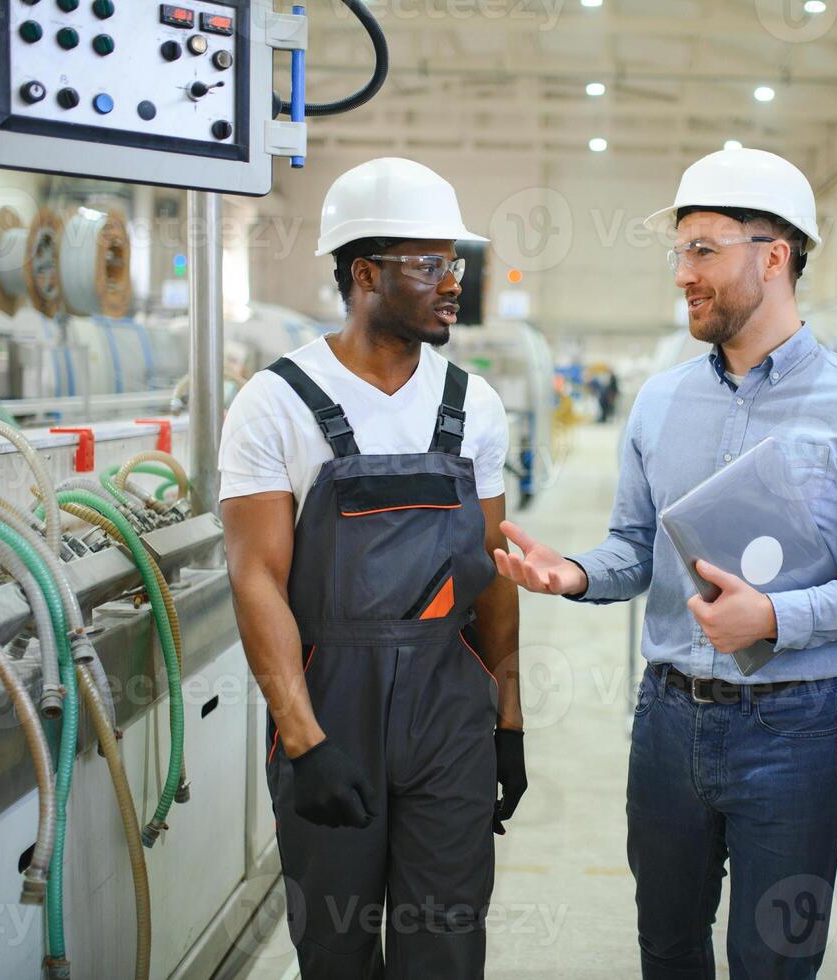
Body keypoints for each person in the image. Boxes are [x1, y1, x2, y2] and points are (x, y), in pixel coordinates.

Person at [492, 147, 837, 978]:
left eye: (702, 250)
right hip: (666, 722)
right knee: (666, 947)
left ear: (773, 256)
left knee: (772, 960)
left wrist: (776, 618)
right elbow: (633, 549)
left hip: (793, 727)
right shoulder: (661, 401)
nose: (682, 274)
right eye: (680, 252)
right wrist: (578, 574)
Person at [219, 157, 525, 979]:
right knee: (336, 951)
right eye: (429, 264)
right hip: (329, 711)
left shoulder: (474, 405)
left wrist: (509, 718)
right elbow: (255, 578)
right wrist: (302, 736)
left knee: (446, 947)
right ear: (363, 273)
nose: (452, 282)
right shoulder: (276, 402)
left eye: (453, 263)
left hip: (447, 715)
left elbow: (490, 573)